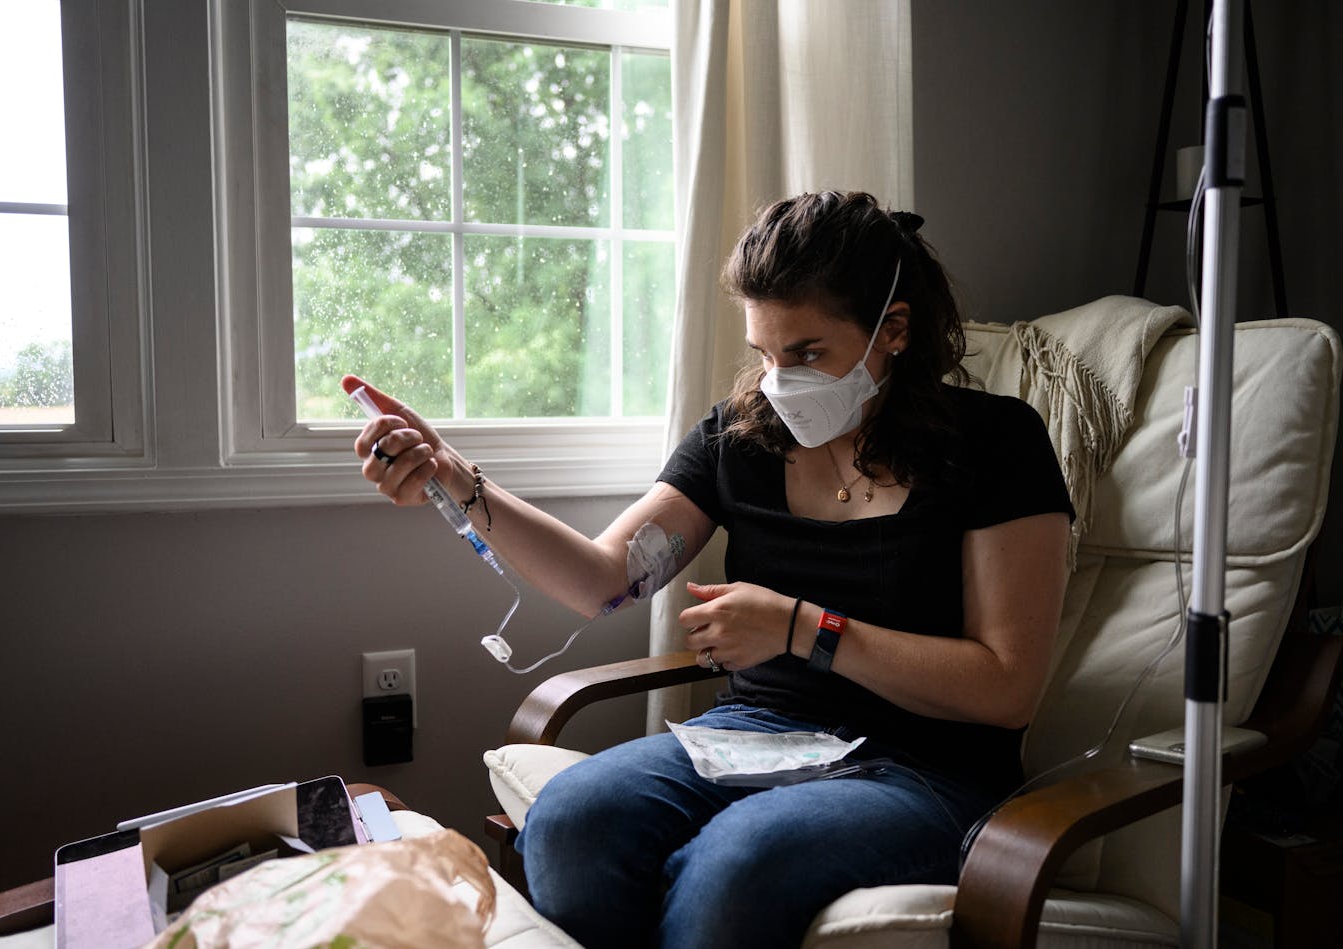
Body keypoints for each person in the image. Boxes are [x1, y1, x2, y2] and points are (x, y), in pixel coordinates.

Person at [346, 190, 1074, 948]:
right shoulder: (741, 439)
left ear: (892, 330)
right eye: (764, 352)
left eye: (808, 353)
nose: (778, 380)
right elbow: (603, 579)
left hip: (929, 770)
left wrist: (802, 629)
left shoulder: (995, 445)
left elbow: (1006, 687)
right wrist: (459, 478)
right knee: (569, 819)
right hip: (758, 732)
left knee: (737, 862)